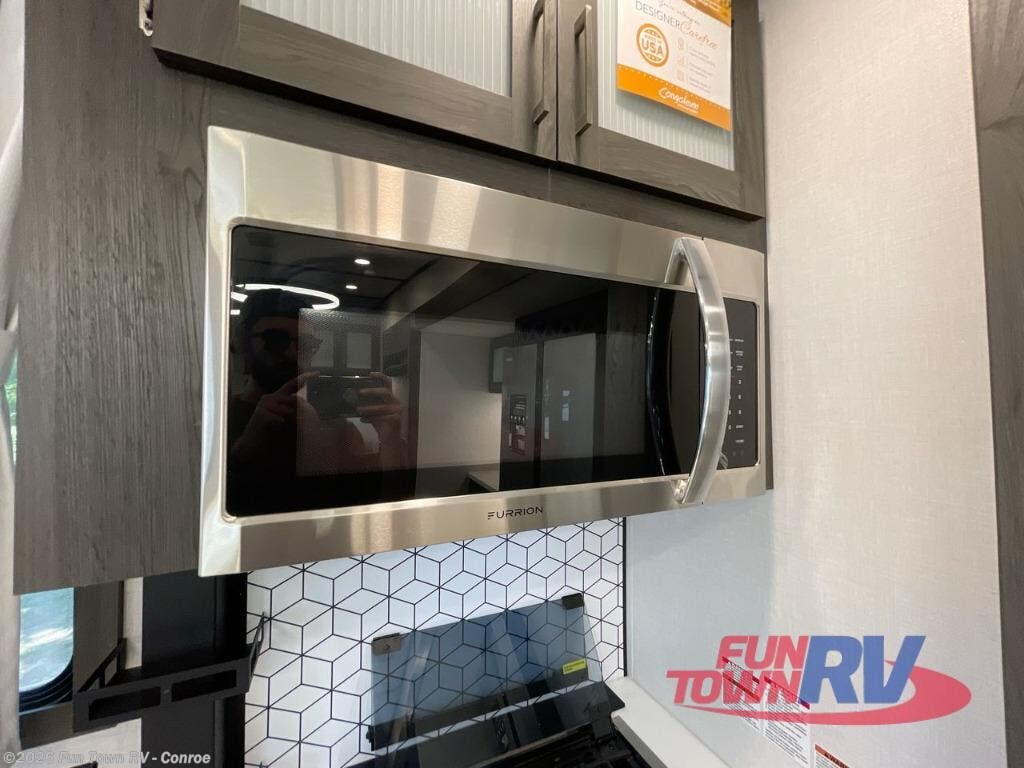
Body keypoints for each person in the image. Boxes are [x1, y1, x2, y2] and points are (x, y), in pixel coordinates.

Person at [226, 288, 406, 514]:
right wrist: (245, 446)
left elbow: (373, 503)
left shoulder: (335, 426)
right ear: (242, 341)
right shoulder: (217, 420)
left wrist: (390, 439)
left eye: (306, 343)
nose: (292, 353)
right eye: (276, 340)